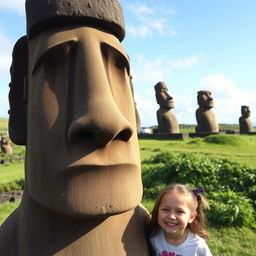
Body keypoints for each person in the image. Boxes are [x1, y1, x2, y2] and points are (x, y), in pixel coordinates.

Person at [147, 184, 213, 256]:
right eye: (166, 209)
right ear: (157, 210)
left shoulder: (197, 245)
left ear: (191, 217)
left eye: (179, 211)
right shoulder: (154, 239)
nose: (171, 216)